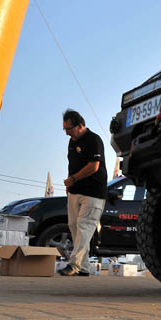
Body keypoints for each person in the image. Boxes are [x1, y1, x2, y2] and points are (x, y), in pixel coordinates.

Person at [59, 109, 107, 276]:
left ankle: (74, 265)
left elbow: (93, 166)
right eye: (64, 129)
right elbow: (72, 164)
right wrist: (69, 183)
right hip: (75, 191)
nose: (67, 133)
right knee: (74, 226)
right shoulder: (72, 142)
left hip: (93, 193)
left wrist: (72, 179)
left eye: (69, 129)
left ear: (80, 126)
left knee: (84, 227)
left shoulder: (94, 139)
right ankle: (84, 267)